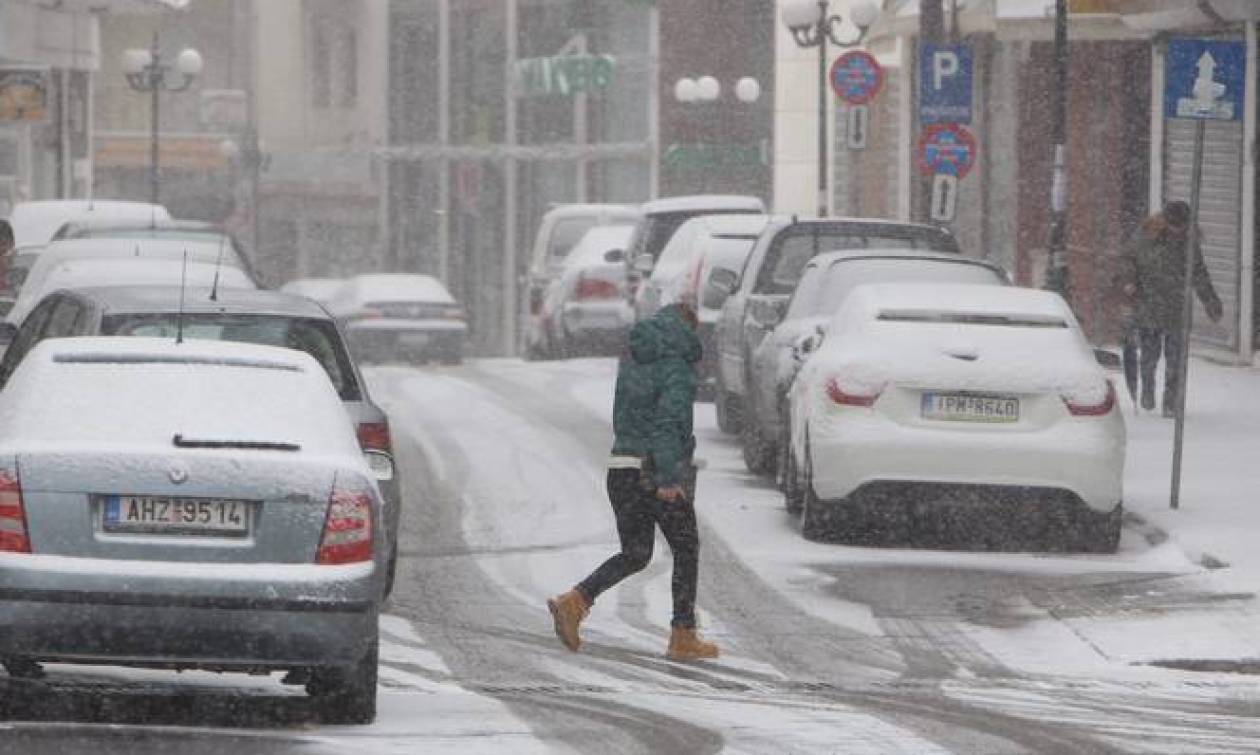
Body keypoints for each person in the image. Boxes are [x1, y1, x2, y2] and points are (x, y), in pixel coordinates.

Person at [547, 300, 718, 661]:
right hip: (653, 470)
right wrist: (668, 477)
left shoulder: (635, 357)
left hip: (621, 467)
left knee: (635, 553)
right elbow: (669, 422)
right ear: (688, 329)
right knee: (686, 547)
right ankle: (683, 635)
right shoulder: (676, 366)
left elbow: (633, 415)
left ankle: (575, 601)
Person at [1119, 200, 1223, 417]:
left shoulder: (1189, 243)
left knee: (1176, 361)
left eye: (1182, 225)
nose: (1178, 229)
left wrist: (1210, 301)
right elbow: (1128, 258)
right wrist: (1129, 280)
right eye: (1174, 225)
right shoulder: (1146, 237)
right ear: (1165, 221)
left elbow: (1199, 273)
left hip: (1178, 310)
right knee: (1149, 357)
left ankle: (1171, 403)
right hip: (1149, 306)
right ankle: (1147, 391)